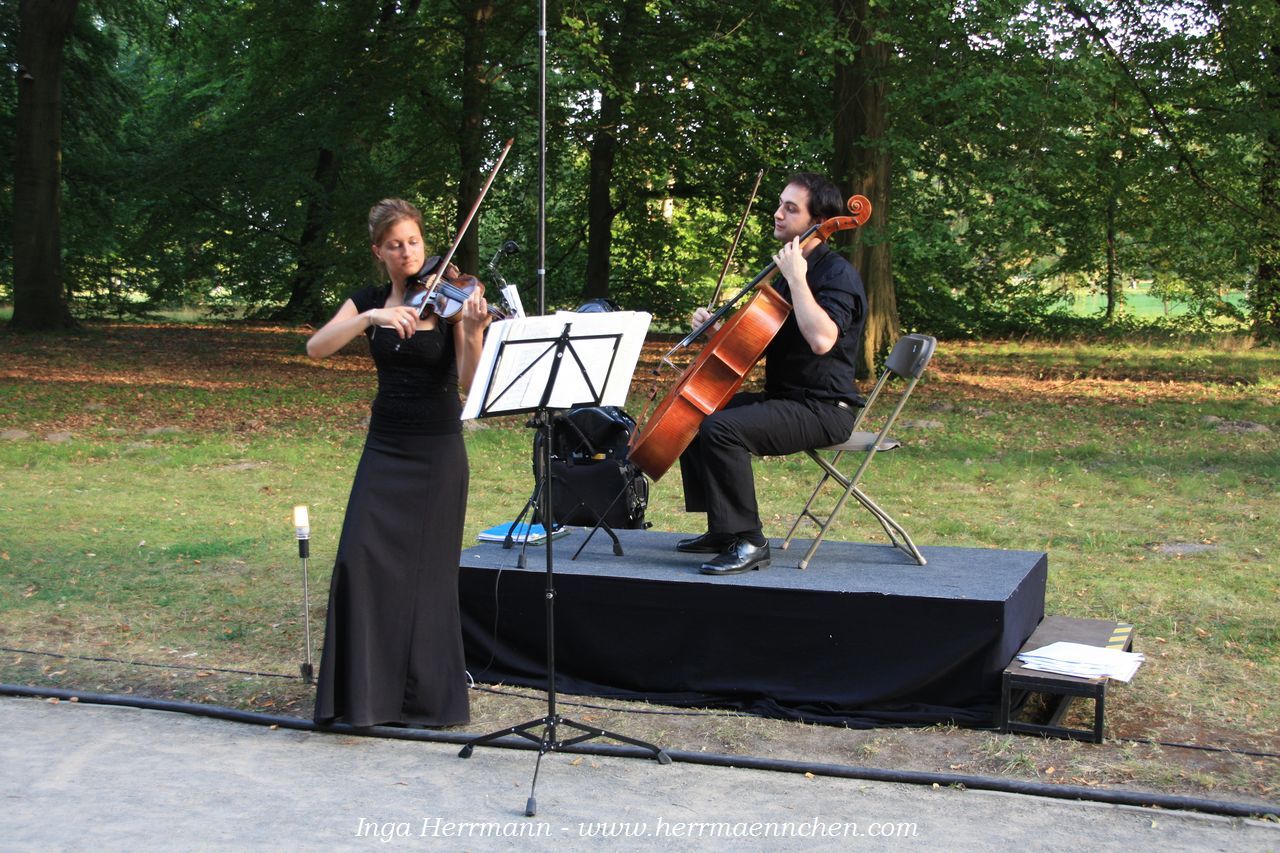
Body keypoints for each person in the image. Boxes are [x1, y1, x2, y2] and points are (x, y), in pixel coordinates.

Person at [307, 198, 491, 727]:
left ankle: (425, 701)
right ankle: (365, 698)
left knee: (428, 577)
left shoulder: (453, 299)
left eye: (413, 241)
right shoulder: (367, 301)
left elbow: (470, 385)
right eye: (395, 245)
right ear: (378, 252)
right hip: (385, 447)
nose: (407, 252)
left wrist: (473, 332)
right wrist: (371, 317)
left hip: (437, 451)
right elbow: (316, 348)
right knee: (358, 561)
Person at [677, 173, 866, 576]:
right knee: (698, 412)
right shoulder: (788, 271)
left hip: (824, 408)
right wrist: (715, 330)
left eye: (791, 209)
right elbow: (758, 343)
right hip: (786, 397)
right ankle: (724, 530)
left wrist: (797, 279)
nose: (778, 214)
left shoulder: (836, 275)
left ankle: (749, 540)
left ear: (819, 221)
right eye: (780, 204)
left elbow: (822, 339)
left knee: (722, 429)